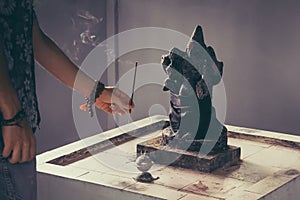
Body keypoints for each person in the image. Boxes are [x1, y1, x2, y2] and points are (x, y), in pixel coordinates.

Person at [0, 1, 133, 199]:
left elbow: (35, 40)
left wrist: (96, 91)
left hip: (16, 127)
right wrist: (12, 116)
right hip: (10, 125)